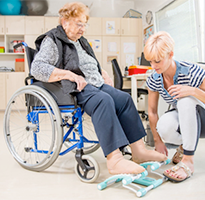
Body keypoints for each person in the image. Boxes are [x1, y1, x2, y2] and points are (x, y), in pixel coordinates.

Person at [30, 2, 167, 175]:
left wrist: (103, 73)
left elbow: (88, 63)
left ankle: (138, 150)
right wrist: (69, 75)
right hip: (73, 88)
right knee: (104, 101)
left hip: (95, 83)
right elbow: (37, 68)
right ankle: (114, 160)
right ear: (65, 22)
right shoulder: (53, 40)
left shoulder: (81, 41)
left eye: (85, 24)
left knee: (124, 99)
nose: (83, 29)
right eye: (79, 24)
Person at [144, 31, 205, 182]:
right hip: (185, 119)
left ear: (170, 55)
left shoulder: (191, 71)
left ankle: (188, 161)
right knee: (164, 125)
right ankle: (183, 148)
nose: (153, 66)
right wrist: (158, 141)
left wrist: (193, 91)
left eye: (157, 61)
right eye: (150, 61)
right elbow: (152, 112)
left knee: (185, 100)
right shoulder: (155, 78)